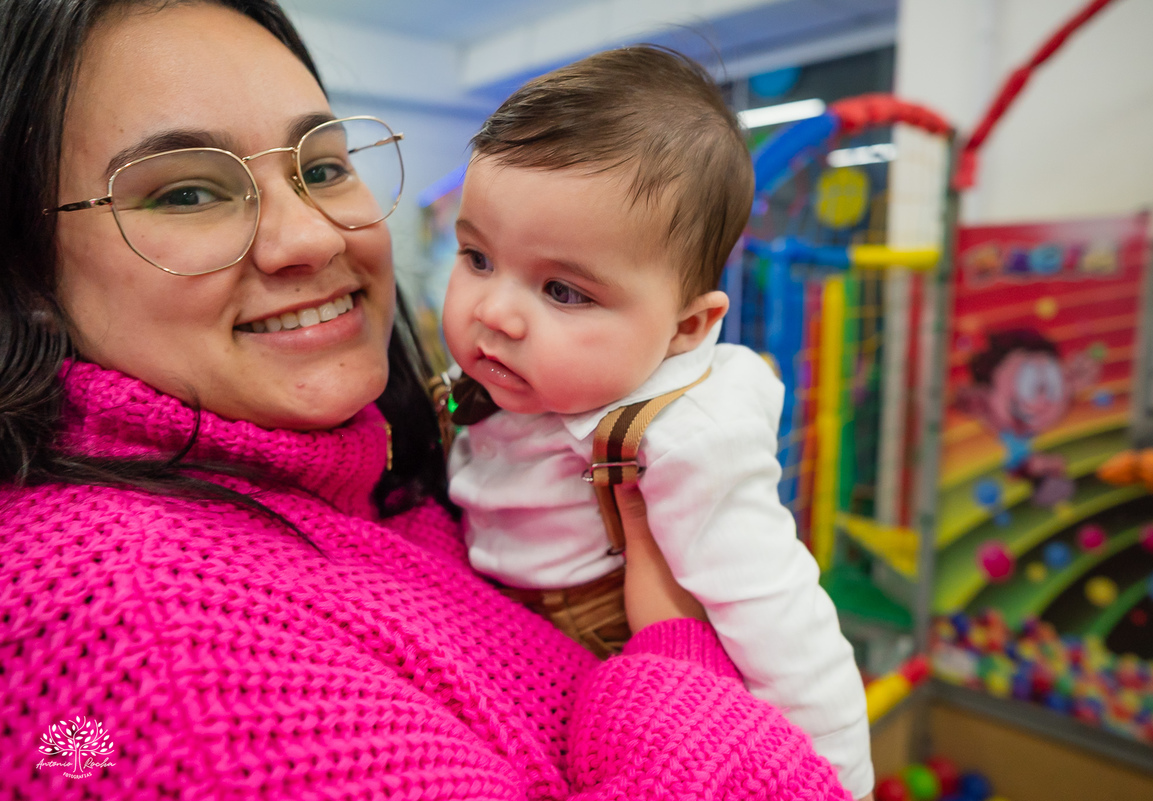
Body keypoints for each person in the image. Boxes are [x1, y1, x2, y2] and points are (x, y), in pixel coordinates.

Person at [0, 1, 853, 799]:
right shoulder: (145, 645)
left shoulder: (368, 472)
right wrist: (680, 666)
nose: (311, 234)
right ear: (30, 269)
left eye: (322, 166)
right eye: (188, 191)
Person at [441, 46, 873, 799]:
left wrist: (835, 777)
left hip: (620, 657)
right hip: (502, 629)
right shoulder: (488, 383)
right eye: (477, 257)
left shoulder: (681, 436)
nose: (494, 312)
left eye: (563, 292)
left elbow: (778, 616)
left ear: (684, 327)